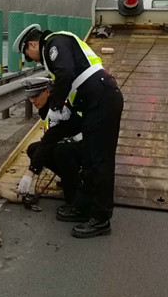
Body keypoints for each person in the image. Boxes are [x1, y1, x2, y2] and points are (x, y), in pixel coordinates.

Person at [13, 23, 124, 238]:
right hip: (94, 102)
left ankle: (101, 219)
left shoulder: (55, 43)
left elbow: (65, 74)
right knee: (92, 160)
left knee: (101, 161)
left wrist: (55, 106)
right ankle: (83, 208)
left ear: (33, 44)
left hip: (102, 99)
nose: (33, 60)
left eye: (29, 54)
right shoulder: (57, 48)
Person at [16, 76, 87, 219]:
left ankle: (75, 202)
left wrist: (30, 173)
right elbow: (47, 141)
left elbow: (50, 140)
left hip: (86, 147)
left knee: (61, 152)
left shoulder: (59, 107)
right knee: (33, 149)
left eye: (36, 96)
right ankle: (70, 178)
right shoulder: (47, 105)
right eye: (30, 97)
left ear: (47, 91)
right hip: (70, 144)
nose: (32, 101)